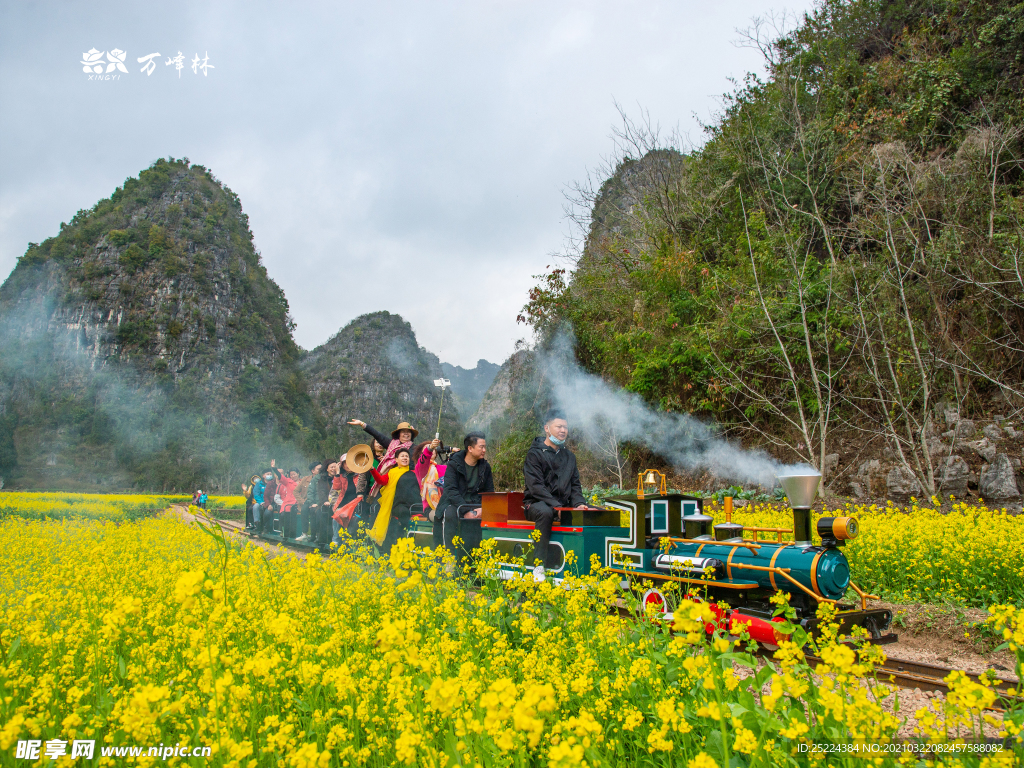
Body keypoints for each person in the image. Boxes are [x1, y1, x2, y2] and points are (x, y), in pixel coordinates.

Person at [523, 409, 587, 581]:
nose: (563, 430)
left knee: (591, 513)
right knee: (546, 512)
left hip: (562, 505)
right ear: (547, 428)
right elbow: (536, 487)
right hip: (536, 504)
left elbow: (575, 485)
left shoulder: (569, 457)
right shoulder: (534, 454)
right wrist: (556, 506)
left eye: (565, 427)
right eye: (558, 426)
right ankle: (538, 566)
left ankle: (580, 568)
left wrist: (579, 503)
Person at [439, 433, 493, 562]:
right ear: (470, 448)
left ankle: (482, 560)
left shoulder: (485, 467)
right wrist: (466, 511)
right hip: (455, 503)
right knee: (451, 513)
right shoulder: (454, 464)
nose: (484, 450)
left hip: (476, 503)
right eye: (481, 447)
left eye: (485, 447)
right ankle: (449, 558)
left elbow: (489, 492)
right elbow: (450, 490)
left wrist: (483, 508)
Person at [366, 447, 422, 554]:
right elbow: (381, 480)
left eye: (407, 456)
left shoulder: (414, 472)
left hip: (410, 504)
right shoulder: (392, 472)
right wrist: (372, 469)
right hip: (394, 503)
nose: (405, 458)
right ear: (396, 460)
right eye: (402, 456)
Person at [346, 419, 417, 495]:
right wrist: (362, 424)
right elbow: (377, 435)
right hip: (388, 482)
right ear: (399, 434)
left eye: (408, 432)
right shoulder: (392, 445)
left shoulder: (416, 449)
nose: (406, 434)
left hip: (407, 483)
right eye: (403, 432)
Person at [271, 460, 302, 539]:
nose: (293, 476)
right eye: (291, 475)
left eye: (294, 474)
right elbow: (281, 477)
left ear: (298, 474)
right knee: (286, 513)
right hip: (289, 503)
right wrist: (274, 469)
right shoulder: (288, 482)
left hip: (299, 503)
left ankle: (297, 534)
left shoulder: (303, 482)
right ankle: (286, 533)